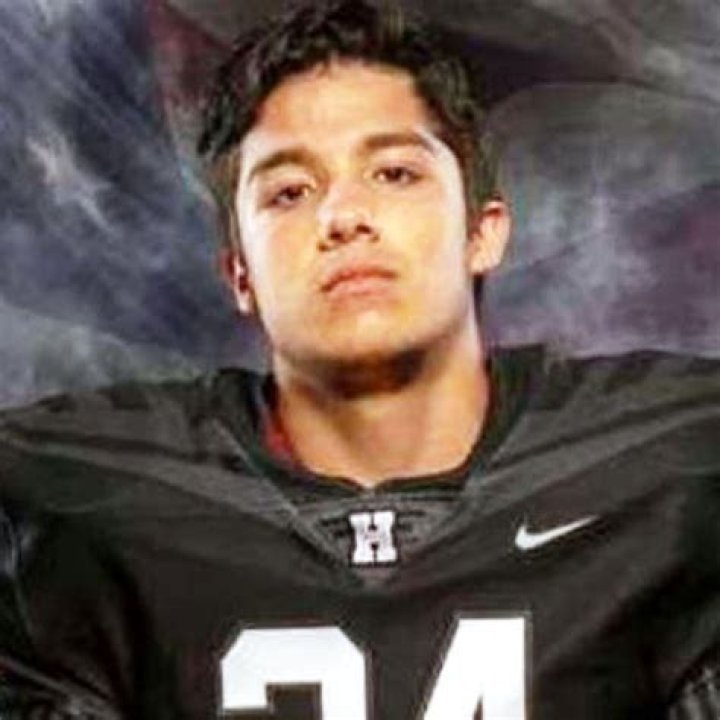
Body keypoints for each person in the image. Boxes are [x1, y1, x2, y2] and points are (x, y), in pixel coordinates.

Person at [1, 0, 719, 718]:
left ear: (483, 231)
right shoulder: (92, 494)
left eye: (394, 173)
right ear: (240, 274)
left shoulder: (667, 456)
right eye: (290, 191)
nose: (342, 216)